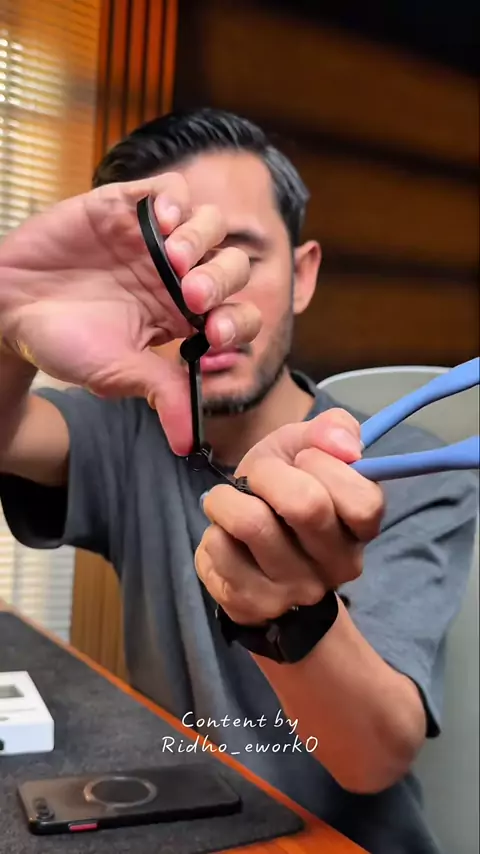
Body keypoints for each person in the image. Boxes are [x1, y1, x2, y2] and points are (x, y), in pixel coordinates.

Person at [0, 108, 476, 854]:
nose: (205, 302)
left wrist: (289, 613)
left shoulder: (415, 473)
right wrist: (7, 318)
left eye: (241, 259)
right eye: (174, 271)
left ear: (303, 273)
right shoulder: (126, 435)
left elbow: (374, 756)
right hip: (185, 827)